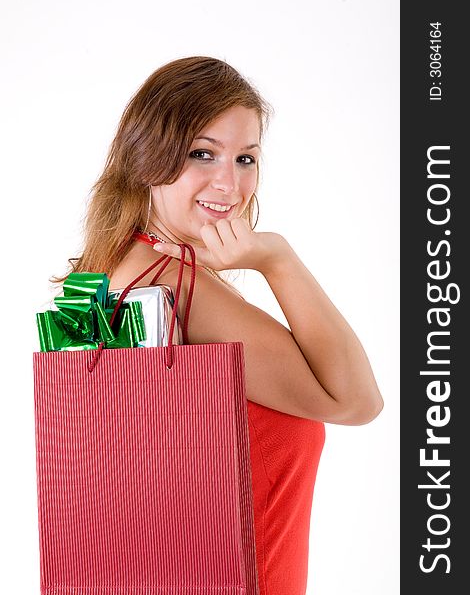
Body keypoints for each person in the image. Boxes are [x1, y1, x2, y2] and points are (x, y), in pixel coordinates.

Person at [51, 55, 384, 595]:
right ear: (146, 160)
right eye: (202, 153)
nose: (229, 183)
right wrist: (279, 259)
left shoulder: (109, 273)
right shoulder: (174, 287)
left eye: (246, 158)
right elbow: (356, 401)